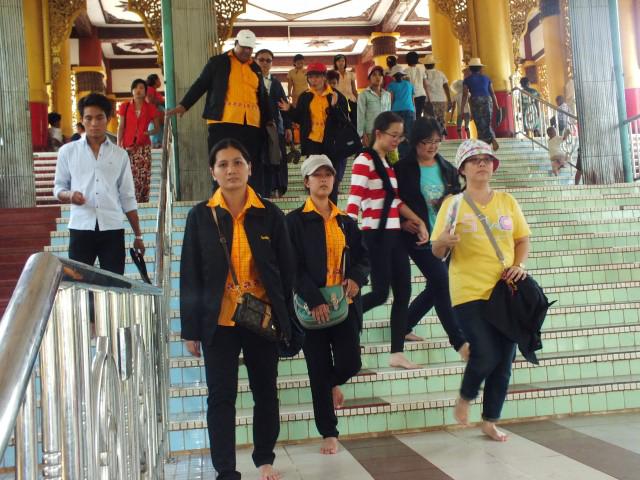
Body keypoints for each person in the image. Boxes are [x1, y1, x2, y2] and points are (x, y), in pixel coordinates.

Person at [180, 138, 294, 480]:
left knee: (266, 392)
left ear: (250, 168)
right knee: (221, 397)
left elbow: (286, 271)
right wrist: (191, 330)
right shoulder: (200, 216)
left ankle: (264, 459)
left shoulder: (270, 214)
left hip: (261, 317)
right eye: (223, 164)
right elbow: (190, 274)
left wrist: (286, 318)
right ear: (213, 172)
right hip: (218, 321)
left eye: (238, 162)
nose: (231, 170)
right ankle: (225, 469)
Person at [432, 139, 531, 442]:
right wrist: (443, 242)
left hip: (504, 291)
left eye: (486, 159)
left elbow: (522, 239)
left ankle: (490, 421)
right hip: (469, 292)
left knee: (504, 361)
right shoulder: (453, 204)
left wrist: (519, 265)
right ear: (462, 169)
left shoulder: (507, 201)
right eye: (474, 160)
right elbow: (436, 250)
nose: (482, 164)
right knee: (486, 353)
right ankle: (466, 396)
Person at [286, 155, 370, 455]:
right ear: (306, 182)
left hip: (344, 304)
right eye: (317, 175)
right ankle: (329, 432)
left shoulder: (346, 221)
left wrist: (357, 278)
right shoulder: (293, 222)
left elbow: (363, 257)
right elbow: (291, 266)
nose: (323, 179)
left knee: (351, 363)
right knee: (317, 366)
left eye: (328, 174)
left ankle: (329, 384)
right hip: (312, 309)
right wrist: (314, 299)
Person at [347, 111, 429, 370]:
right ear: (378, 133)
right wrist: (347, 235)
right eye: (393, 135)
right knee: (381, 293)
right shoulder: (364, 160)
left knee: (403, 291)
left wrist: (417, 221)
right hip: (374, 235)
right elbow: (354, 200)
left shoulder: (387, 162)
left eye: (400, 136)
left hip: (394, 234)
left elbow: (394, 201)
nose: (397, 140)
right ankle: (346, 321)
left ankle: (397, 352)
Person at [394, 117, 469, 360]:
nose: (432, 146)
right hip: (417, 238)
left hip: (444, 237)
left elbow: (458, 197)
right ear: (415, 142)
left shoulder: (447, 168)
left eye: (437, 141)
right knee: (442, 281)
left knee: (435, 285)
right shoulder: (402, 169)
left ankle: (404, 324)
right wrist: (403, 222)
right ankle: (459, 341)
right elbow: (393, 201)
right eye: (427, 141)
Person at [166, 29, 272, 196]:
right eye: (243, 47)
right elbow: (201, 84)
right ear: (235, 44)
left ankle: (252, 198)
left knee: (250, 162)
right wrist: (184, 105)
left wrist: (269, 120)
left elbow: (263, 97)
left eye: (250, 48)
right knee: (221, 160)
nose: (246, 51)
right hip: (223, 122)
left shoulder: (255, 68)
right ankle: (220, 198)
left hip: (251, 124)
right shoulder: (218, 62)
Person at [53, 92, 145, 275]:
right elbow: (58, 188)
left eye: (99, 117)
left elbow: (127, 197)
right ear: (82, 120)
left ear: (108, 119)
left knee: (114, 283)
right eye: (88, 118)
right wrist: (70, 195)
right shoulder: (67, 152)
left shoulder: (120, 155)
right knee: (79, 283)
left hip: (112, 230)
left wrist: (138, 235)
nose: (94, 123)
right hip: (80, 228)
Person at [278, 62, 351, 204]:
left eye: (317, 77)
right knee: (314, 177)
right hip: (312, 142)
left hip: (332, 143)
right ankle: (315, 208)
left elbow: (344, 121)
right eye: (310, 77)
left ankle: (332, 208)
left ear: (324, 77)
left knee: (331, 177)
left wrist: (335, 106)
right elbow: (299, 117)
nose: (313, 80)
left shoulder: (336, 96)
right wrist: (289, 110)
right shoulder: (305, 96)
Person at [255, 48, 292, 197]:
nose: (264, 63)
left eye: (268, 60)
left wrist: (288, 127)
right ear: (255, 61)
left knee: (277, 158)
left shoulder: (276, 83)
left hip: (276, 129)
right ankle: (262, 191)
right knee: (260, 158)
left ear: (271, 63)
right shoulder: (250, 81)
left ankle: (278, 188)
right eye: (261, 60)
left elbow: (284, 106)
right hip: (255, 128)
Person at [117, 79, 160, 203]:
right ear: (132, 91)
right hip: (128, 147)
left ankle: (142, 201)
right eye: (135, 87)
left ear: (145, 91)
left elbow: (157, 128)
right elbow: (121, 127)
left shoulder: (151, 108)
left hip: (143, 147)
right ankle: (130, 200)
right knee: (129, 175)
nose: (138, 90)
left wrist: (147, 133)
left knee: (143, 176)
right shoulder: (125, 106)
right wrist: (119, 144)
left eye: (141, 88)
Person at [461, 58, 500, 151]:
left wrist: (462, 109)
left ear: (470, 69)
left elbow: (465, 95)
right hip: (487, 100)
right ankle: (490, 140)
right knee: (487, 122)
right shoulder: (486, 78)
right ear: (480, 68)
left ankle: (486, 142)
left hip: (476, 100)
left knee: (479, 123)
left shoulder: (467, 80)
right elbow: (492, 93)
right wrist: (497, 106)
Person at [357, 65, 392, 147]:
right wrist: (362, 134)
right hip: (370, 133)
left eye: (380, 75)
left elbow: (389, 115)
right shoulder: (363, 95)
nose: (378, 77)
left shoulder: (387, 95)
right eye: (374, 75)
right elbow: (360, 115)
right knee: (371, 154)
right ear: (369, 78)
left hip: (385, 132)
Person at [386, 65, 415, 158]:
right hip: (409, 110)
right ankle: (410, 155)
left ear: (393, 76)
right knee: (409, 133)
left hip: (396, 111)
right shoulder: (409, 85)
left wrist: (389, 112)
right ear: (402, 75)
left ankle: (402, 155)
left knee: (399, 133)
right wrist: (413, 111)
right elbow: (412, 100)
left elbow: (391, 99)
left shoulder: (391, 85)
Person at [422, 55, 453, 135]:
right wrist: (449, 100)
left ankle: (431, 137)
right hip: (441, 100)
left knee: (429, 122)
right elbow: (446, 87)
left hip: (428, 101)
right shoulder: (440, 74)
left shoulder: (423, 74)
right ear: (434, 64)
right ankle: (441, 136)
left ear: (424, 65)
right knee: (441, 120)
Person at [332, 54, 358, 128]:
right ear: (335, 63)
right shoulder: (333, 74)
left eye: (343, 61)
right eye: (339, 61)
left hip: (351, 100)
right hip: (339, 101)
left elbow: (354, 89)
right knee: (342, 122)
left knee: (354, 121)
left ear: (345, 62)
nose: (341, 63)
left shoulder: (351, 74)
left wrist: (358, 100)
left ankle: (354, 134)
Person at [405, 51, 430, 118]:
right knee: (419, 114)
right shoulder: (421, 69)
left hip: (412, 95)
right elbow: (425, 84)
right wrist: (428, 96)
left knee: (413, 114)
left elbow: (407, 85)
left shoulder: (405, 71)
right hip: (422, 94)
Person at [146, 73, 165, 147]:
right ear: (155, 81)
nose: (160, 81)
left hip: (158, 116)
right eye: (159, 79)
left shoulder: (152, 90)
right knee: (157, 137)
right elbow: (149, 101)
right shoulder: (149, 89)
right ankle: (156, 143)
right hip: (156, 116)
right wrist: (162, 102)